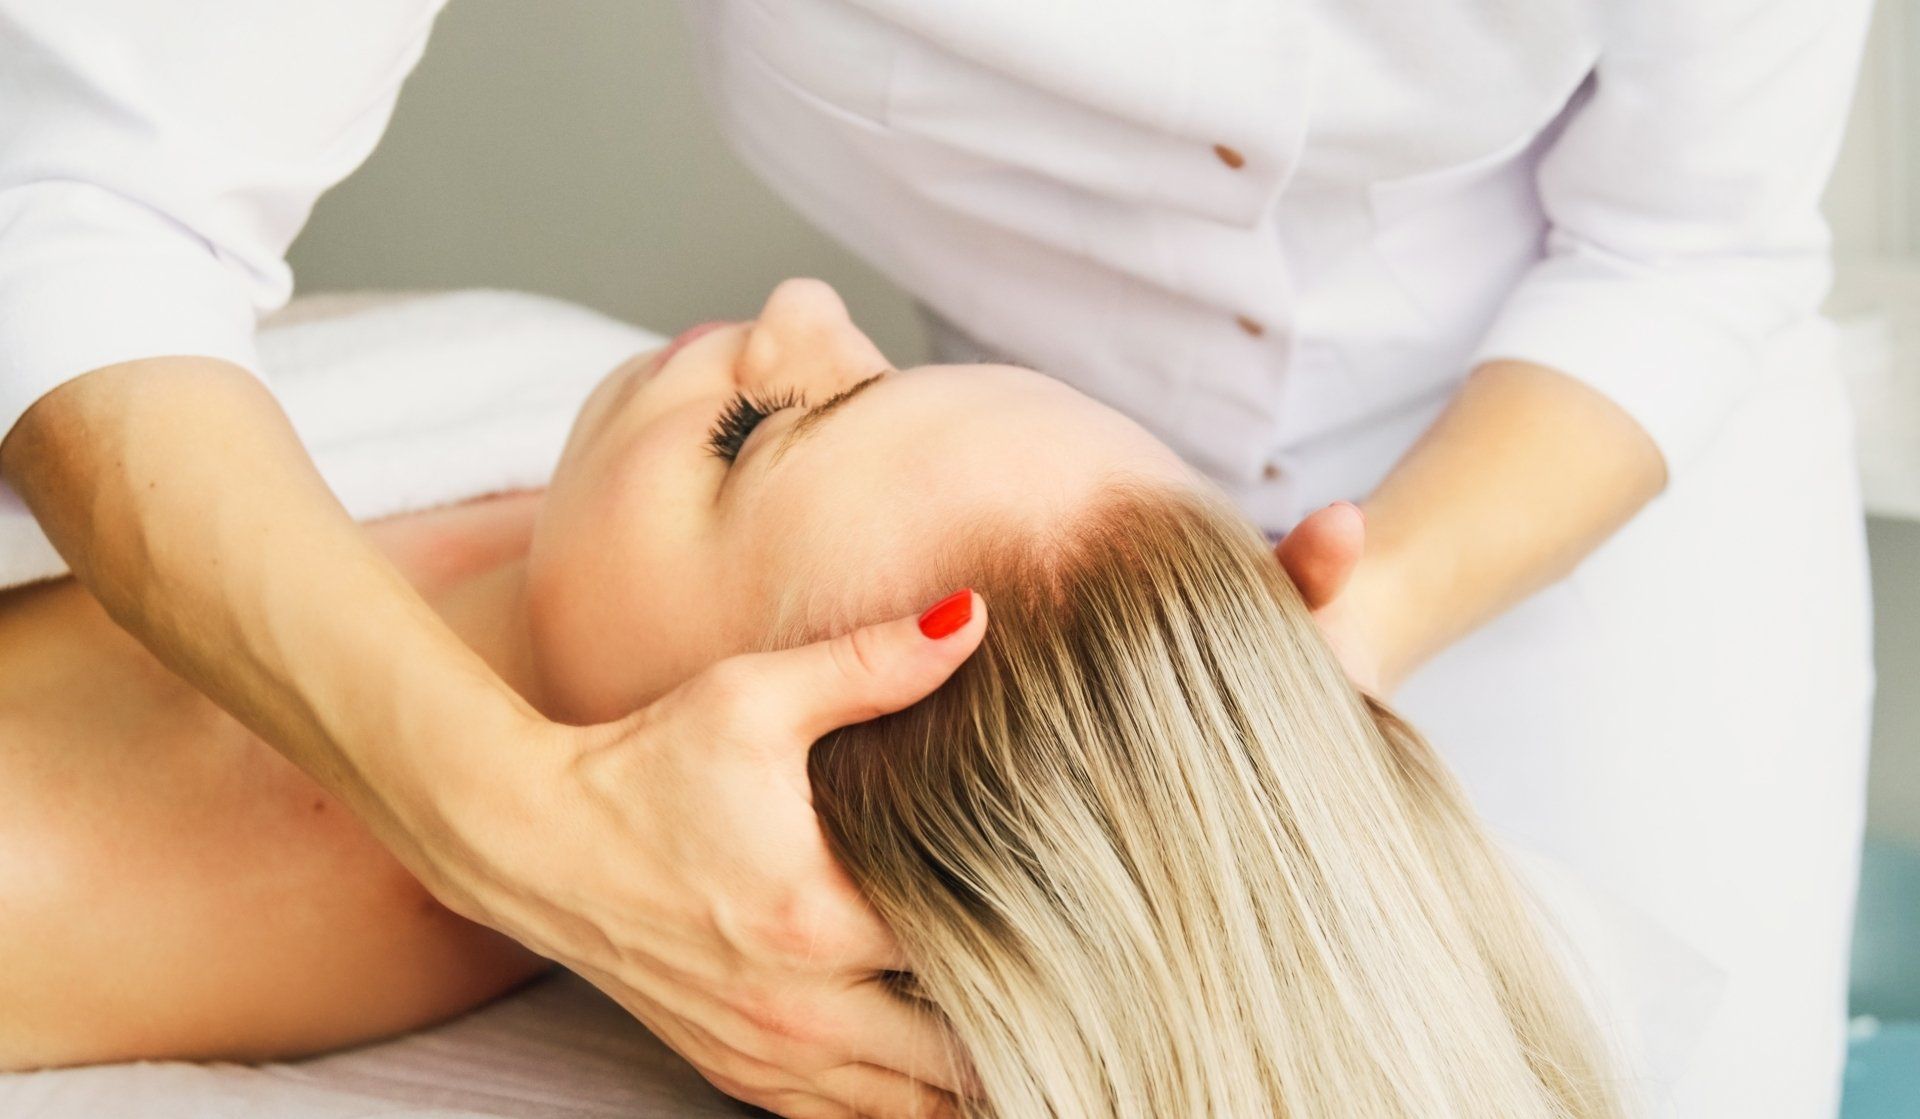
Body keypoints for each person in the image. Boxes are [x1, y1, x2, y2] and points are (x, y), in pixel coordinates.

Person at [0, 2, 1876, 1114]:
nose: (787, 305)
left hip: (1551, 438)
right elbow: (98, 198)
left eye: (758, 429)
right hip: (1019, 440)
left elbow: (1688, 249)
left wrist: (1344, 632)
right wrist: (503, 809)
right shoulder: (603, 453)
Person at [1, 280, 1629, 1117]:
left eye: (751, 435)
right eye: (881, 372)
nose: (794, 310)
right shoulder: (559, 420)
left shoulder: (62, 881)